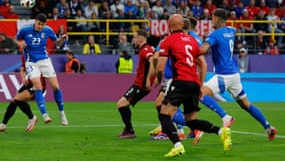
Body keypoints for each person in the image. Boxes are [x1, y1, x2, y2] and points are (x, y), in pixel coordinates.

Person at [156, 14, 232, 157]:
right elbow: (203, 64)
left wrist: (161, 81)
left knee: (164, 114)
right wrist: (200, 85)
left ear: (170, 26)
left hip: (180, 82)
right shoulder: (192, 40)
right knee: (191, 121)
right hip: (194, 83)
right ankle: (221, 131)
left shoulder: (168, 41)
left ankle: (177, 145)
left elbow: (160, 68)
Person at [200, 8, 277, 141]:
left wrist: (198, 48)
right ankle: (268, 127)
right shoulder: (231, 31)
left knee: (200, 94)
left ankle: (225, 117)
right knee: (246, 105)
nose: (211, 20)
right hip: (234, 76)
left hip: (223, 75)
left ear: (217, 19)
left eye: (212, 18)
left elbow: (204, 49)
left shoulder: (215, 34)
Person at [16, 13, 68, 125]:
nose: (40, 26)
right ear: (35, 21)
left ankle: (62, 113)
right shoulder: (25, 30)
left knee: (56, 87)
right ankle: (45, 115)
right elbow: (17, 40)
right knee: (37, 86)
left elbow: (57, 42)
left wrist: (62, 39)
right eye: (39, 24)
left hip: (44, 60)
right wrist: (21, 44)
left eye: (42, 25)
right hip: (31, 62)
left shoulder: (48, 30)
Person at [116, 30, 155, 138]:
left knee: (121, 104)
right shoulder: (145, 49)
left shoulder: (145, 50)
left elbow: (152, 61)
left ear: (141, 38)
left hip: (141, 85)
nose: (133, 39)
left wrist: (148, 80)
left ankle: (129, 131)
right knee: (122, 105)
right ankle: (129, 129)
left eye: (135, 37)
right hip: (139, 84)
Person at [0, 54, 44, 133]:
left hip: (38, 85)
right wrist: (23, 78)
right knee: (14, 101)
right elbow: (22, 68)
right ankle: (3, 125)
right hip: (29, 84)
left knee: (17, 99)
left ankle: (32, 117)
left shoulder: (38, 54)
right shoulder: (25, 55)